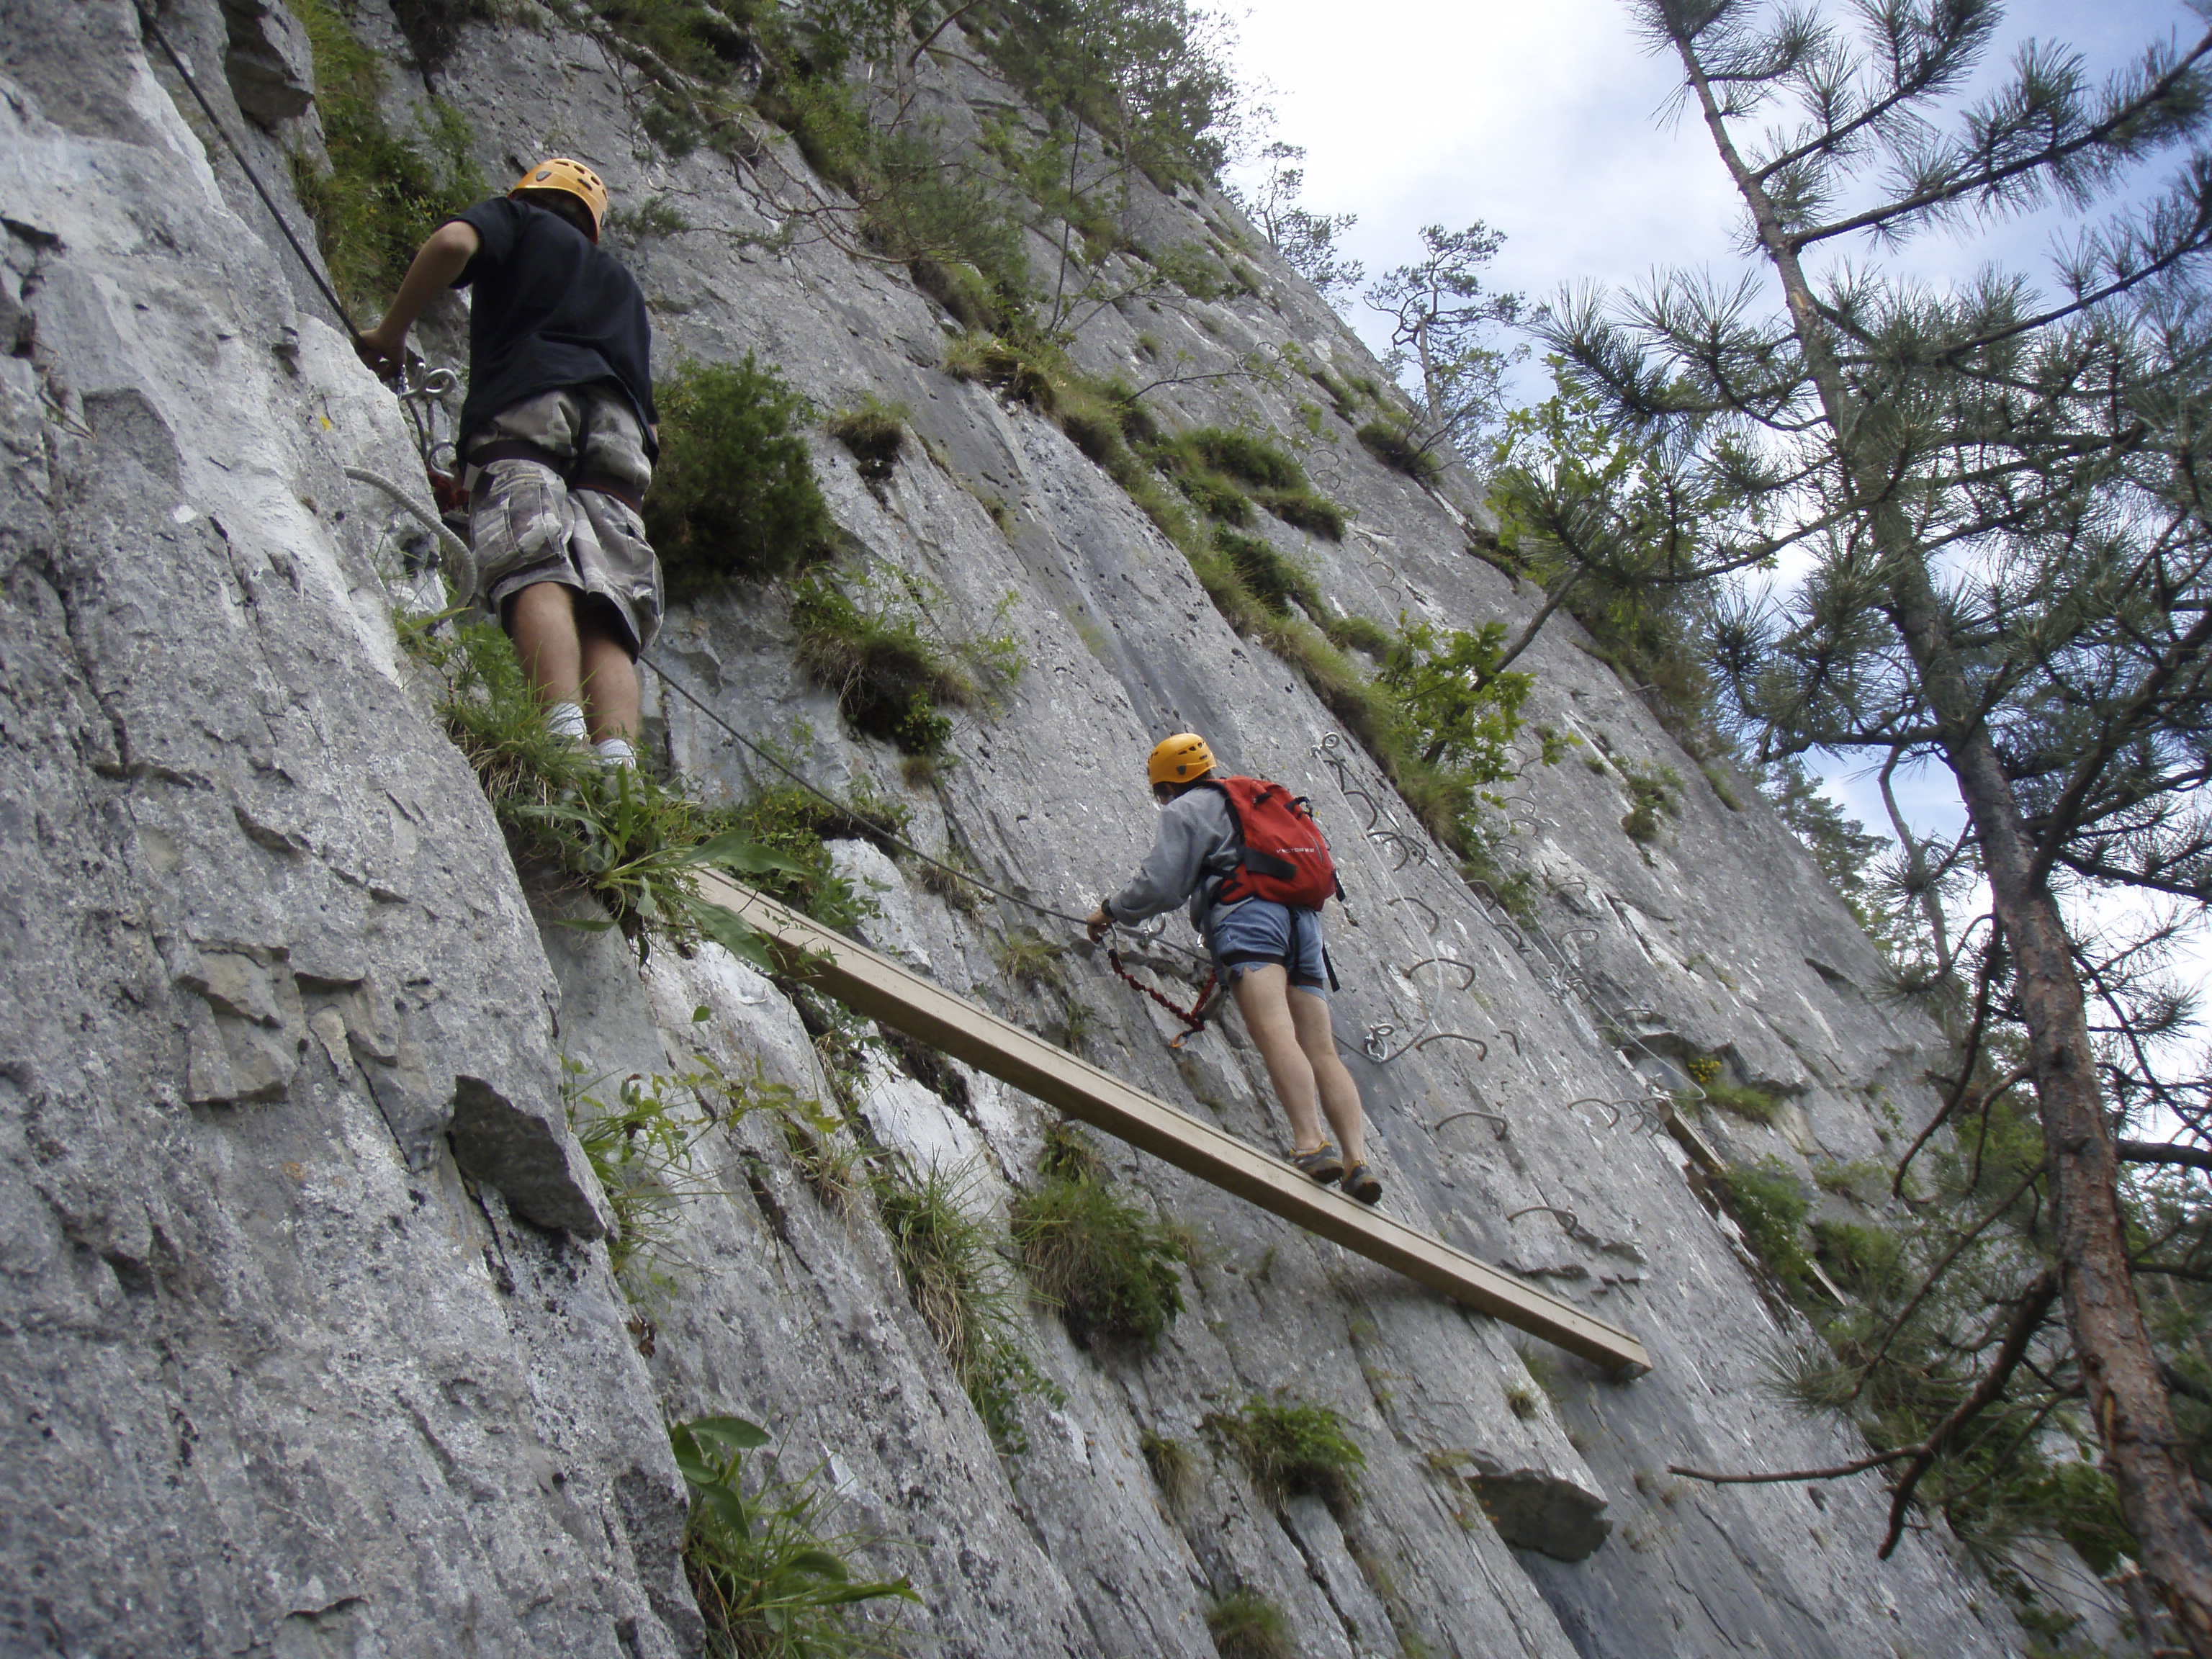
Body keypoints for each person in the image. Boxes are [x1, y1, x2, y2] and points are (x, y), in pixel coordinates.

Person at [355, 157, 660, 769]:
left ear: (530, 194)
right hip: (619, 440)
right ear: (592, 224)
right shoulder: (622, 286)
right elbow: (652, 424)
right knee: (607, 602)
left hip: (532, 404)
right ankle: (620, 777)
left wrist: (391, 333)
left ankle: (563, 741)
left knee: (536, 560)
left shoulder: (519, 221)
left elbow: (452, 242)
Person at [1086, 734, 1382, 1205]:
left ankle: (1311, 1144)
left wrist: (1111, 910)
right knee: (1322, 1050)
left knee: (1275, 1032)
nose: (1163, 799)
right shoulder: (1253, 797)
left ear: (1172, 783)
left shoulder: (1186, 810)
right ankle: (1357, 1161)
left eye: (1161, 790)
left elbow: (1162, 887)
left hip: (1250, 916)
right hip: (1304, 923)